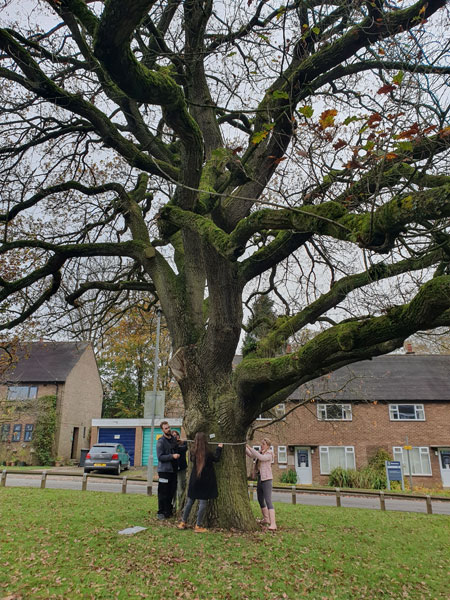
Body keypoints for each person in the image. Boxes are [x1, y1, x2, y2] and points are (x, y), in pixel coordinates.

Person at [177, 432, 223, 533]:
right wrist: (219, 448)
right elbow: (216, 458)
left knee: (190, 502)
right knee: (202, 503)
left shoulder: (193, 452)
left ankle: (183, 522)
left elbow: (191, 459)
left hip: (195, 481)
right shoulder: (208, 453)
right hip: (205, 481)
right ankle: (198, 525)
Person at [246, 438, 276, 531]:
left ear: (268, 445)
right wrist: (245, 446)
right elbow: (251, 455)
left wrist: (250, 447)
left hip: (267, 480)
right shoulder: (261, 452)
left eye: (263, 444)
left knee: (268, 500)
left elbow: (260, 458)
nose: (261, 445)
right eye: (261, 443)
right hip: (260, 479)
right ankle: (266, 519)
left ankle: (273, 523)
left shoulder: (269, 454)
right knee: (260, 499)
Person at [156, 421, 180, 520]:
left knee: (171, 491)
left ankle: (168, 510)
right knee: (163, 492)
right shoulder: (160, 441)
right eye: (166, 428)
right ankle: (161, 512)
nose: (168, 429)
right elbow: (160, 457)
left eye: (169, 427)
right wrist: (172, 456)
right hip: (164, 471)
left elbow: (177, 448)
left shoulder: (173, 439)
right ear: (162, 430)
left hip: (173, 471)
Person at [172, 430, 188, 511]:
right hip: (172, 470)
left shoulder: (183, 444)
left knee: (180, 489)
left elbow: (184, 448)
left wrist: (181, 442)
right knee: (173, 490)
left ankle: (181, 508)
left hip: (181, 469)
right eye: (173, 435)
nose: (175, 436)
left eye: (176, 435)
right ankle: (173, 508)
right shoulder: (170, 445)